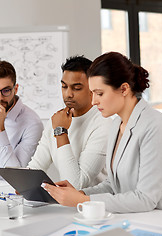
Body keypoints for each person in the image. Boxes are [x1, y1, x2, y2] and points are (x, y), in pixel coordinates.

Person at [41, 52, 162, 213]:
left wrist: (83, 200)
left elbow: (146, 198)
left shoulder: (155, 125)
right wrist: (79, 194)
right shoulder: (117, 124)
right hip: (136, 218)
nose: (93, 101)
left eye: (100, 93)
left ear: (124, 89)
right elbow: (114, 185)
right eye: (93, 93)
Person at [27, 55, 112, 189]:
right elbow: (36, 167)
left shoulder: (103, 125)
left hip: (96, 205)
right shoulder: (56, 120)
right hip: (67, 205)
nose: (68, 94)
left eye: (76, 88)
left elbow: (75, 185)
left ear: (92, 89)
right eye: (64, 86)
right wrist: (23, 185)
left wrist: (61, 132)